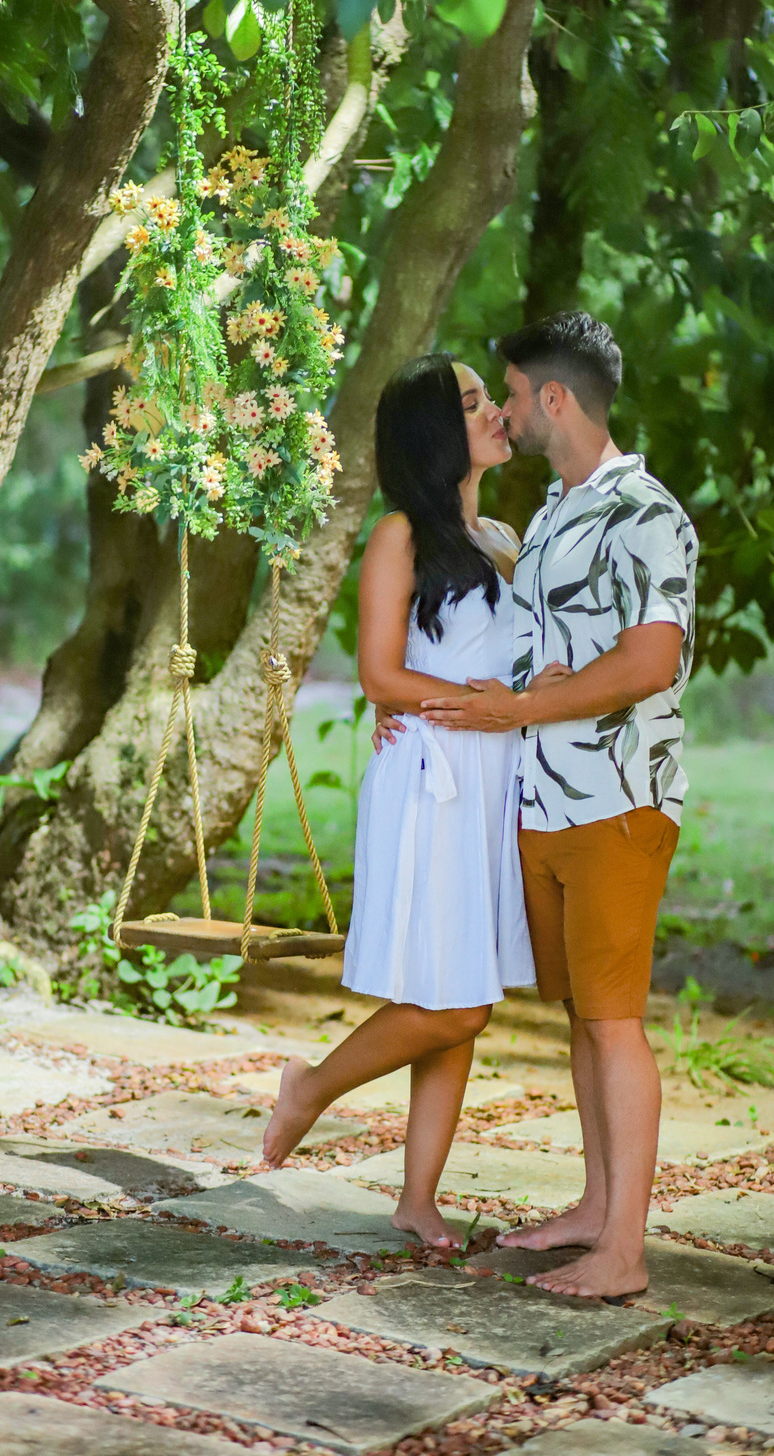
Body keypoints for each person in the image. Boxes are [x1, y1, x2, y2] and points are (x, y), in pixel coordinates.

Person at [419, 312, 697, 1301]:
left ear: (555, 398)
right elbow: (531, 642)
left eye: (509, 391)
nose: (500, 410)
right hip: (544, 802)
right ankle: (592, 1206)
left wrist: (527, 706)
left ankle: (624, 1251)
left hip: (619, 800)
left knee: (616, 1021)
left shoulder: (645, 512)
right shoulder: (549, 518)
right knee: (584, 1013)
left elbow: (648, 659)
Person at [262, 353, 539, 1246]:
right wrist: (467, 707)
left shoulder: (502, 538)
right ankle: (311, 1087)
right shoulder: (399, 535)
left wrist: (528, 695)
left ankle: (418, 1200)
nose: (497, 410)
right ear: (434, 432)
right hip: (431, 779)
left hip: (490, 779)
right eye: (473, 402)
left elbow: (513, 666)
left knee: (464, 990)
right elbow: (381, 672)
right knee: (454, 1000)